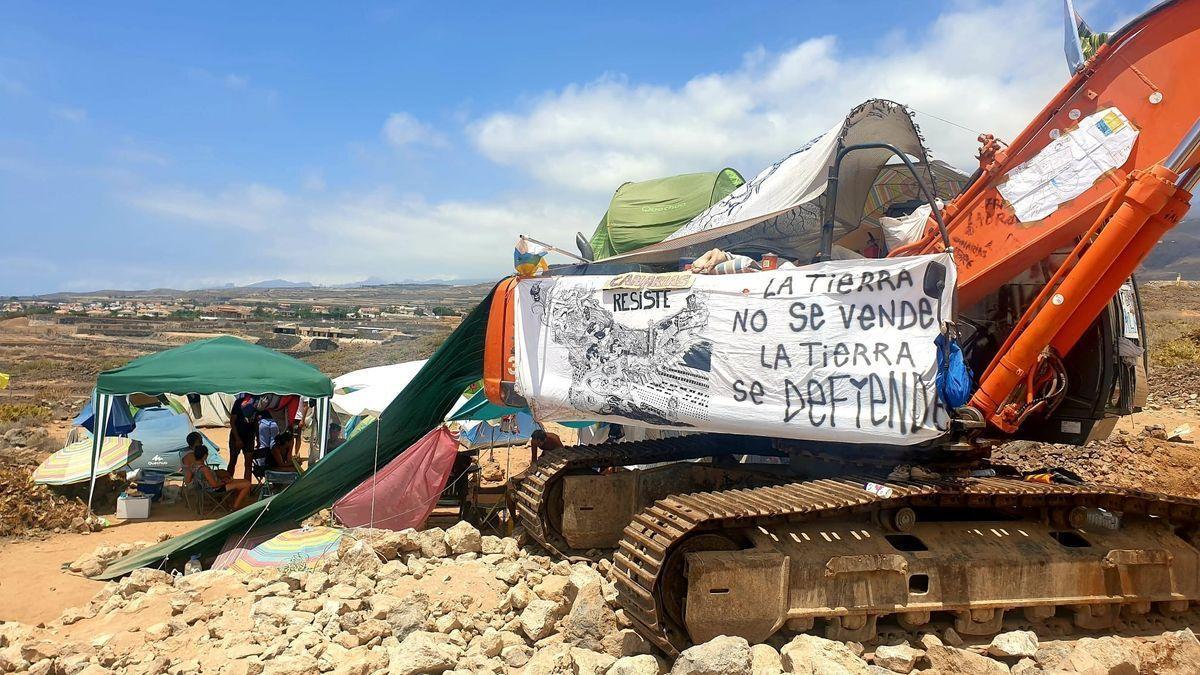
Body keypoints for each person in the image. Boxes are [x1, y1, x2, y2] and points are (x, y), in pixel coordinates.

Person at [181, 432, 252, 509]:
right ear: (204, 456)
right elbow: (214, 484)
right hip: (214, 489)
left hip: (208, 486)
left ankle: (231, 501)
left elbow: (192, 478)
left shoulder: (194, 467)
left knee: (229, 476)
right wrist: (224, 482)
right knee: (246, 484)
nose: (202, 441)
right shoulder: (203, 468)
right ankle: (234, 507)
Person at [227, 393, 258, 481]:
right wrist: (237, 439)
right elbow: (232, 421)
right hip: (237, 435)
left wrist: (258, 438)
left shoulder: (256, 405)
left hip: (249, 436)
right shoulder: (238, 403)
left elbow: (256, 422)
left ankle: (247, 488)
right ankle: (228, 485)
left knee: (248, 464)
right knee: (233, 461)